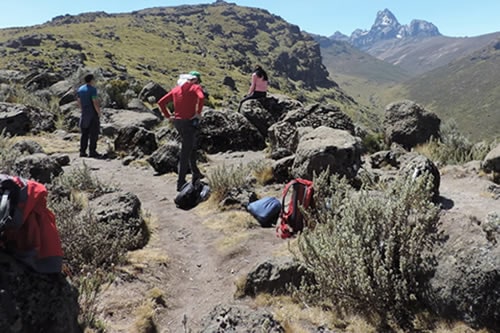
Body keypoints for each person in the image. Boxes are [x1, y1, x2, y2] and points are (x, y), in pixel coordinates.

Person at [157, 72, 205, 191]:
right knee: (185, 151)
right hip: (189, 122)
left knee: (191, 147)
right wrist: (198, 113)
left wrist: (168, 116)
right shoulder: (195, 88)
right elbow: (202, 97)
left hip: (178, 122)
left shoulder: (176, 90)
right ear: (192, 80)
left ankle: (195, 173)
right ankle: (181, 182)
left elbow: (161, 102)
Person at [77, 74, 101, 158]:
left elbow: (79, 101)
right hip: (92, 114)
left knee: (84, 134)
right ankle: (92, 151)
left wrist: (82, 110)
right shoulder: (93, 90)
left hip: (84, 114)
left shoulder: (80, 89)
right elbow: (94, 101)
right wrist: (98, 112)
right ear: (91, 80)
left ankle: (82, 151)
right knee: (94, 133)